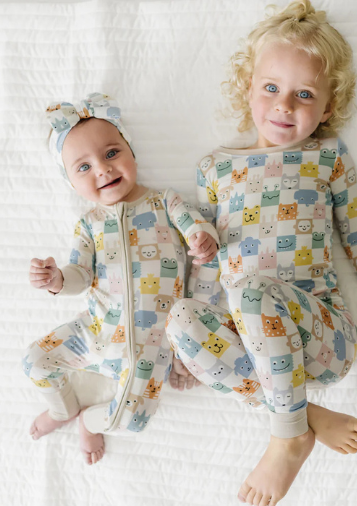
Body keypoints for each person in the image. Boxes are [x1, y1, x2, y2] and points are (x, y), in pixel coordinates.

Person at [164, 2, 357, 504]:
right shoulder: (215, 168)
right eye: (271, 88)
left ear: (328, 107)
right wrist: (193, 345)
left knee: (251, 292)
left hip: (323, 337)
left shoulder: (326, 157)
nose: (285, 106)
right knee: (181, 318)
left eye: (304, 95)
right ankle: (304, 419)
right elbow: (208, 267)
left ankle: (289, 437)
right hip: (253, 350)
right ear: (247, 88)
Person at [25, 92, 217, 465]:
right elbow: (80, 274)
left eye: (112, 153)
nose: (103, 169)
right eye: (84, 167)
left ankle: (90, 421)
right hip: (95, 330)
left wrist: (201, 237)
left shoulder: (165, 202)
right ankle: (63, 409)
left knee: (132, 419)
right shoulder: (89, 224)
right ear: (71, 183)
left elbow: (195, 226)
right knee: (34, 360)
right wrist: (57, 279)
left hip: (151, 344)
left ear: (132, 152)